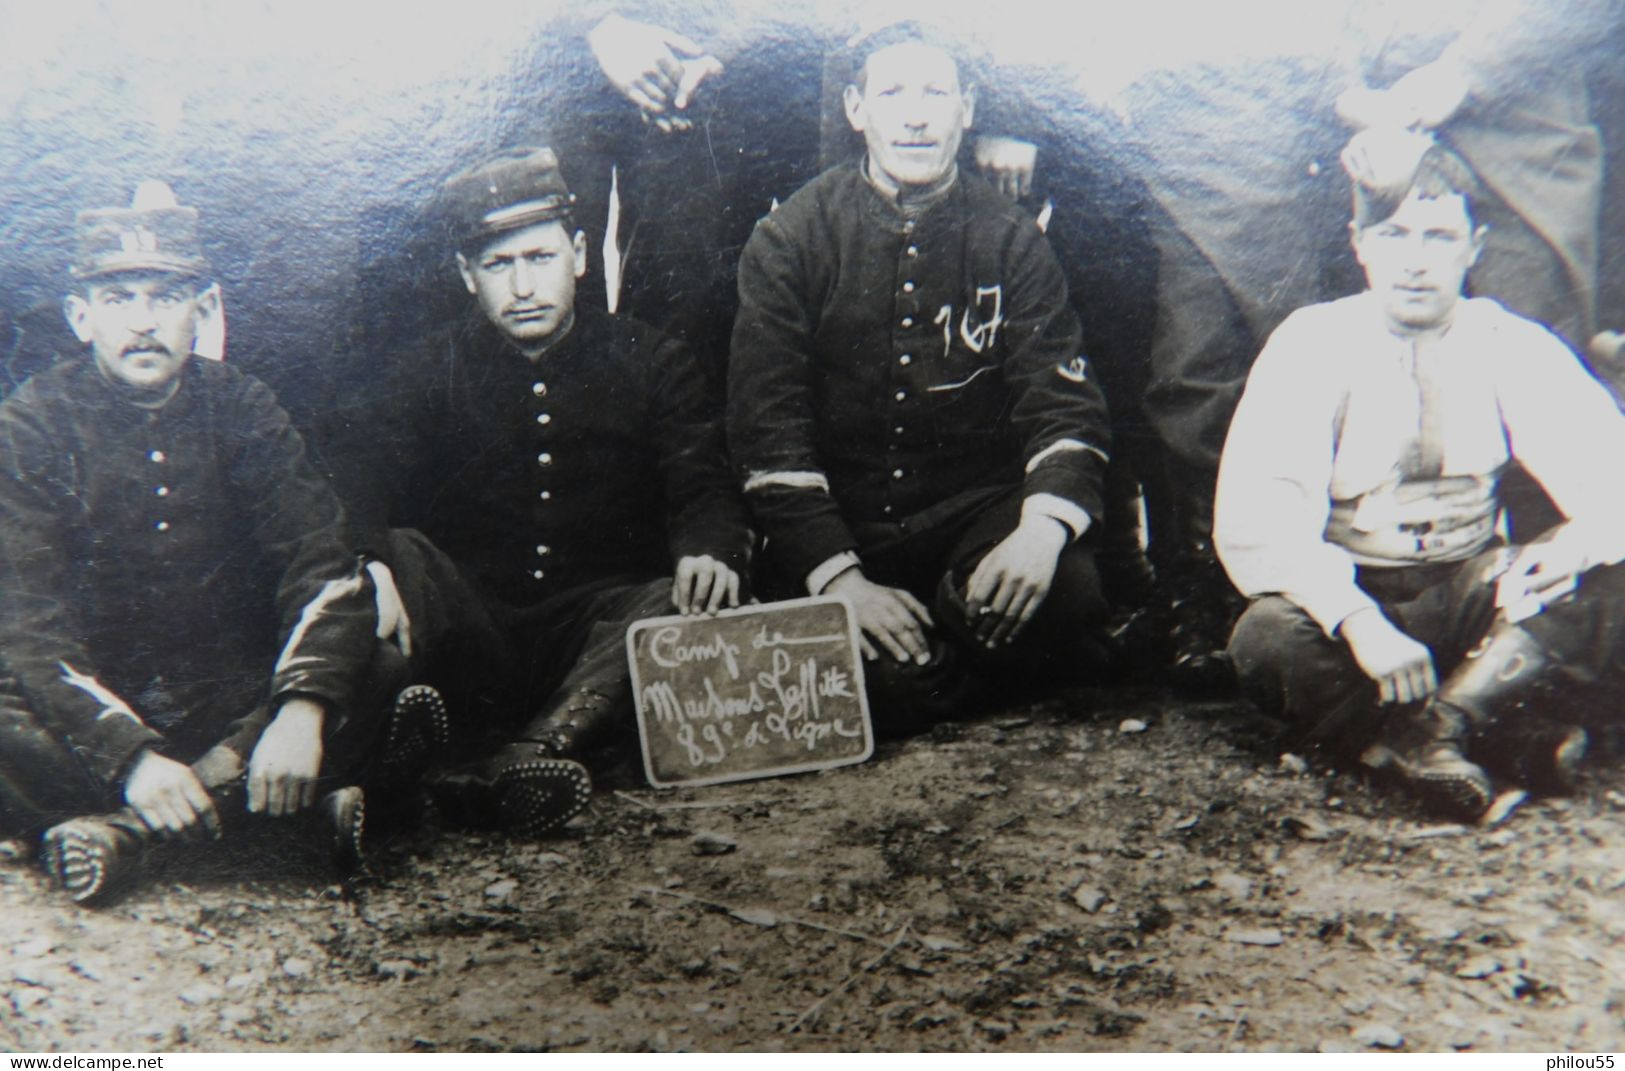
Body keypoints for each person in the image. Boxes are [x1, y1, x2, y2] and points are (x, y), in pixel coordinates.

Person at [0, 183, 432, 904]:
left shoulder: (243, 406)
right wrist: (131, 758)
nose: (143, 322)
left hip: (231, 702)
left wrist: (298, 714)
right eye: (118, 299)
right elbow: (29, 625)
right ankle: (275, 828)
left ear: (201, 312)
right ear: (81, 316)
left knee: (377, 666)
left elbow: (320, 565)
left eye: (165, 297)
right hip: (98, 699)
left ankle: (125, 838)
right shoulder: (31, 424)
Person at [333, 147, 752, 836]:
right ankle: (463, 756)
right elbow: (356, 474)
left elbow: (700, 479)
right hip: (472, 624)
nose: (522, 285)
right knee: (401, 552)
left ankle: (526, 755)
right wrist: (370, 560)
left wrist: (710, 546)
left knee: (673, 598)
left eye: (539, 258)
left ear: (580, 255)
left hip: (591, 626)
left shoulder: (651, 359)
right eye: (498, 266)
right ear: (467, 275)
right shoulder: (423, 370)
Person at [1217, 141, 1625, 821]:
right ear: (1358, 244)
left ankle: (1429, 729)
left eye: (1439, 236)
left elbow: (1610, 473)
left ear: (1475, 246)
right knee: (1265, 638)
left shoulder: (1508, 342)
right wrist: (1356, 622)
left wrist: (1573, 547)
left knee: (1605, 580)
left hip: (1474, 592)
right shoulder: (1312, 341)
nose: (1415, 260)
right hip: (1355, 594)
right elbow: (1260, 518)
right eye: (1393, 234)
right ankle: (1495, 736)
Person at [728, 24, 1115, 732]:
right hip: (847, 529)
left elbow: (1063, 406)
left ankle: (938, 661)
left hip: (971, 517)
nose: (914, 116)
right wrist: (841, 580)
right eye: (891, 93)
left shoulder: (1011, 239)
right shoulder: (790, 239)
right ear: (854, 109)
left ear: (966, 110)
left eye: (935, 93)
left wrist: (1038, 532)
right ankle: (957, 666)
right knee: (882, 674)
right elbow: (767, 432)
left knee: (1068, 588)